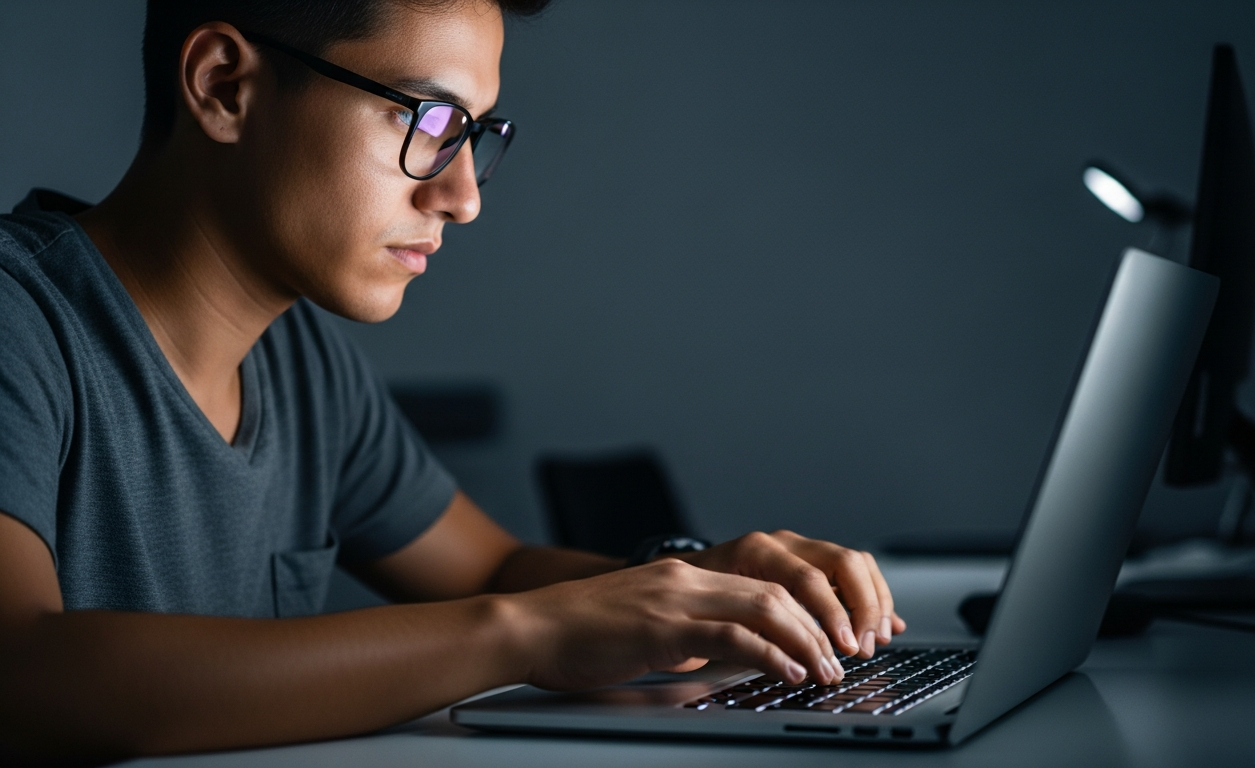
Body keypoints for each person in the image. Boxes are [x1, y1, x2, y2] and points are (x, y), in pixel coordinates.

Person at [0, 0, 906, 759]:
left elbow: (491, 568)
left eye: (475, 134)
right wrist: (527, 633)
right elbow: (22, 671)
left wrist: (700, 587)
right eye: (425, 119)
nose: (463, 196)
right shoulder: (19, 323)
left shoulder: (304, 366)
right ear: (224, 87)